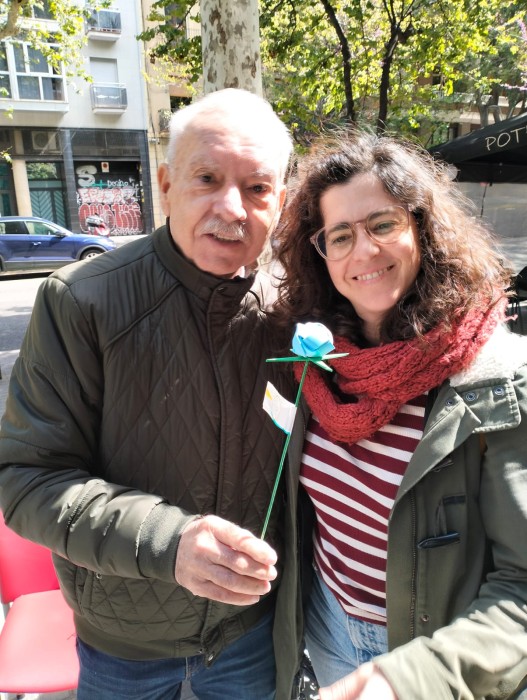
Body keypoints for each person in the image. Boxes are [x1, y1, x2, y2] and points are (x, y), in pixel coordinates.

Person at [0, 88, 301, 700]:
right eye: (207, 178)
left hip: (250, 634)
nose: (231, 207)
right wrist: (170, 543)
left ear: (281, 203)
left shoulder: (297, 312)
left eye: (257, 188)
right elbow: (26, 480)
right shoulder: (81, 300)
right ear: (165, 184)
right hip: (122, 644)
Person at [272, 129, 527, 699]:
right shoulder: (317, 360)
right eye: (340, 236)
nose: (363, 251)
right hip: (327, 630)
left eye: (382, 224)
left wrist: (408, 678)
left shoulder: (497, 376)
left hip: (434, 660)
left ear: (422, 226)